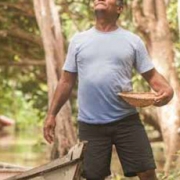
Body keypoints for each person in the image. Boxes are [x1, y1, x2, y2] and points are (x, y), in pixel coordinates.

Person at [43, 0, 174, 179]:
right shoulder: (78, 41)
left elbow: (151, 76)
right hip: (90, 124)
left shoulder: (132, 41)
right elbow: (66, 81)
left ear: (119, 8)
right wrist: (51, 115)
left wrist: (167, 90)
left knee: (147, 172)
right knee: (92, 176)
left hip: (126, 120)